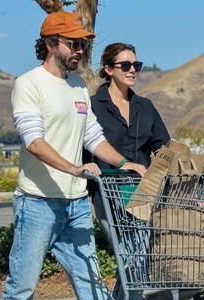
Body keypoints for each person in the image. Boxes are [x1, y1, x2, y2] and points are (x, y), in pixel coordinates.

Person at [1, 13, 147, 300]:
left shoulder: (78, 86)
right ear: (50, 43)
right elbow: (33, 141)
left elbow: (92, 136)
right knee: (21, 289)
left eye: (82, 43)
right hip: (37, 203)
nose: (80, 50)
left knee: (92, 288)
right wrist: (74, 168)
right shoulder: (29, 84)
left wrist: (124, 163)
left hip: (76, 205)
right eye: (74, 43)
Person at [83, 42, 170, 299]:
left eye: (136, 65)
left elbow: (163, 149)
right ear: (108, 69)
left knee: (134, 262)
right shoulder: (93, 106)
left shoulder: (146, 106)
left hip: (141, 195)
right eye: (126, 65)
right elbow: (85, 146)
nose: (133, 70)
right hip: (108, 195)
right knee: (132, 258)